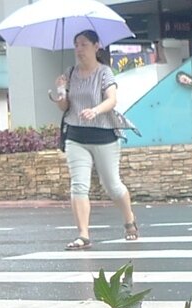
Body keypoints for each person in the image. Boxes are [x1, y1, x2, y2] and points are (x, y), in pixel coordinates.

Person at [52, 30, 137, 250]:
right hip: (76, 136)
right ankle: (83, 235)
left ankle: (129, 220)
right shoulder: (70, 73)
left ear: (96, 46)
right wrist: (60, 90)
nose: (79, 49)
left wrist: (95, 111)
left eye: (84, 44)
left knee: (113, 186)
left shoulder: (104, 72)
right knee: (78, 186)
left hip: (103, 136)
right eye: (76, 45)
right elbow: (64, 106)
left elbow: (112, 100)